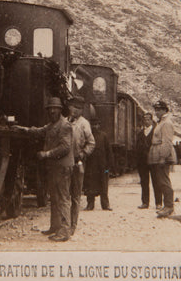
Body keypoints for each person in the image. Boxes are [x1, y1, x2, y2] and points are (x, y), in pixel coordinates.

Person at [15, 97, 74, 242]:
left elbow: (65, 147)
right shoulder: (52, 125)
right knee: (54, 198)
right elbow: (40, 131)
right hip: (55, 167)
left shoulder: (65, 125)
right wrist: (25, 129)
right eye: (50, 109)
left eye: (55, 108)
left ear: (60, 110)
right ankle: (55, 227)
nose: (52, 111)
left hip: (62, 167)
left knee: (63, 199)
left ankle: (65, 231)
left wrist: (47, 154)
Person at [66, 96, 95, 234]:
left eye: (78, 108)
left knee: (75, 195)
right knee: (63, 195)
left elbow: (91, 143)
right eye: (73, 107)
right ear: (69, 107)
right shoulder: (65, 122)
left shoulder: (84, 124)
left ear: (82, 110)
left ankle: (73, 225)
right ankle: (62, 224)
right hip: (64, 162)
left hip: (77, 162)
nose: (75, 110)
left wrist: (83, 154)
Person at [148, 100, 177, 218]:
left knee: (164, 181)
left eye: (159, 109)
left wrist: (162, 157)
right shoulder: (161, 122)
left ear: (165, 110)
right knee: (161, 181)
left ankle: (169, 206)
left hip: (161, 155)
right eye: (156, 109)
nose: (157, 112)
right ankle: (167, 205)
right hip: (157, 154)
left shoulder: (166, 123)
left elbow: (167, 142)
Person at [84, 116, 114, 211]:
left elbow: (109, 151)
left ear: (99, 125)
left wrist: (109, 165)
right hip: (91, 165)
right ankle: (90, 204)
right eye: (93, 125)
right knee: (90, 185)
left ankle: (105, 205)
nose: (95, 127)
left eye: (96, 124)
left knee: (104, 185)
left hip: (103, 165)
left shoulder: (103, 136)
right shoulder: (88, 136)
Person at [135, 112, 156, 209]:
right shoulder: (140, 133)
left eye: (148, 119)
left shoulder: (155, 132)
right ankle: (145, 202)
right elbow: (137, 147)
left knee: (156, 182)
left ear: (151, 120)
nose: (146, 121)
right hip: (142, 162)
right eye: (145, 119)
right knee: (144, 182)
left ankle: (158, 203)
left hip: (153, 160)